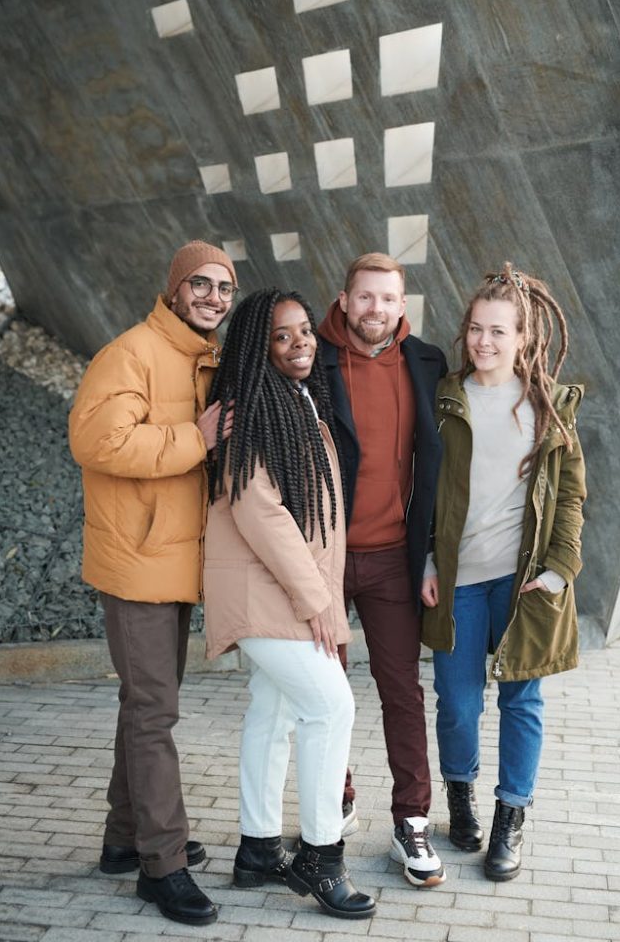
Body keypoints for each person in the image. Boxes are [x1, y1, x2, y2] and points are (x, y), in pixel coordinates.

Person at [68, 240, 239, 927]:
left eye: (223, 289)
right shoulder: (130, 353)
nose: (212, 298)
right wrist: (195, 438)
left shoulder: (206, 360)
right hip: (137, 562)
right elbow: (98, 443)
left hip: (173, 561)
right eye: (199, 284)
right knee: (153, 713)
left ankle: (122, 839)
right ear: (172, 289)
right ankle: (160, 866)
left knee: (142, 705)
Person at [203, 288, 376, 920]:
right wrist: (321, 604)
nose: (300, 341)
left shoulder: (296, 401)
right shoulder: (250, 409)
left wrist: (320, 597)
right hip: (265, 595)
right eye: (282, 335)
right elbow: (262, 513)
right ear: (258, 348)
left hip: (283, 593)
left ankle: (256, 848)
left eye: (305, 330)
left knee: (274, 714)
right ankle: (321, 856)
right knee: (331, 707)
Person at [421, 262, 586, 881]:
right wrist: (427, 561)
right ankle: (459, 796)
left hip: (523, 588)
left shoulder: (549, 404)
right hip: (458, 582)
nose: (483, 342)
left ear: (523, 338)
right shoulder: (444, 399)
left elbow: (570, 494)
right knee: (458, 705)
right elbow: (421, 490)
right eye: (474, 329)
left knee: (523, 700)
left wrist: (560, 569)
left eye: (498, 331)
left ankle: (509, 819)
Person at [318, 253, 448, 888]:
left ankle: (412, 820)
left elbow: (434, 469)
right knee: (326, 694)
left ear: (402, 305)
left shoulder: (425, 363)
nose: (374, 309)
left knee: (402, 691)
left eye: (387, 298)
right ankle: (335, 798)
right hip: (322, 560)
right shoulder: (311, 361)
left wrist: (426, 553)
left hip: (395, 559)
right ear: (344, 301)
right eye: (363, 298)